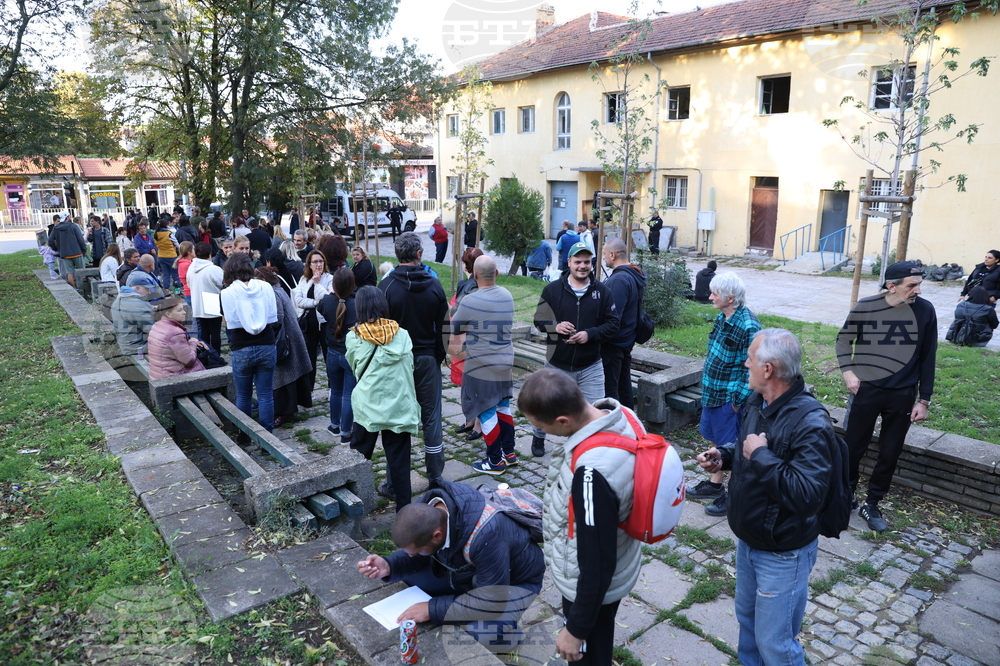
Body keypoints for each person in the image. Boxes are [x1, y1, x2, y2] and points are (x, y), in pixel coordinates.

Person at [695, 329, 835, 666]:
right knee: (748, 623)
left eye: (750, 358)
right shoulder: (758, 401)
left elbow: (808, 496)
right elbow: (747, 445)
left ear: (768, 369)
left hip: (783, 552)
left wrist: (760, 456)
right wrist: (725, 456)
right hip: (749, 540)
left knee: (775, 644)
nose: (745, 363)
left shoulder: (811, 422)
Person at [517, 368, 643, 666]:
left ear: (563, 421)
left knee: (589, 656)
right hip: (620, 560)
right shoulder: (619, 414)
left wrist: (575, 629)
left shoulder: (590, 474)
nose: (543, 434)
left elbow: (597, 563)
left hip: (591, 587)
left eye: (541, 427)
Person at [355, 480, 544, 633]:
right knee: (410, 578)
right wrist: (389, 565)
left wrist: (431, 609)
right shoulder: (429, 508)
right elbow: (419, 550)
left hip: (515, 583)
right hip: (470, 570)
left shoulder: (487, 536)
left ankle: (505, 638)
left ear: (437, 536)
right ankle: (461, 598)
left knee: (485, 631)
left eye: (417, 550)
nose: (411, 555)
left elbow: (491, 600)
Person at [837, 260, 937, 533]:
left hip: (902, 394)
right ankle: (846, 496)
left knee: (890, 452)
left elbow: (928, 357)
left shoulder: (925, 310)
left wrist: (924, 399)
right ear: (891, 286)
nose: (918, 289)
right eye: (912, 285)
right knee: (853, 448)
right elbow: (844, 340)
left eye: (919, 284)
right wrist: (848, 371)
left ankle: (872, 502)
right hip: (866, 389)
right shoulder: (867, 306)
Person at [531, 242, 620, 457]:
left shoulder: (603, 291)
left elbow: (613, 323)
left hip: (590, 364)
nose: (582, 266)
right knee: (547, 405)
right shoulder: (552, 290)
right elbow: (539, 319)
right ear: (568, 262)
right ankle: (538, 436)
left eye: (587, 262)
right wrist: (555, 327)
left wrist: (590, 334)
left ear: (592, 264)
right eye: (578, 262)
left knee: (596, 410)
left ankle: (588, 447)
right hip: (557, 362)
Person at [686, 271, 760, 517]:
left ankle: (733, 496)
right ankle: (716, 485)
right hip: (713, 392)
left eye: (715, 294)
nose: (710, 297)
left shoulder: (749, 325)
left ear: (730, 297)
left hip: (729, 398)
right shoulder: (722, 317)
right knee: (717, 442)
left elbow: (751, 367)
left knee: (733, 448)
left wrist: (737, 403)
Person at [379, 232, 449, 491]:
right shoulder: (434, 285)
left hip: (397, 363)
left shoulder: (385, 287)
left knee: (396, 420)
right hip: (427, 358)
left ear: (397, 255)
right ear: (419, 254)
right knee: (431, 418)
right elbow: (444, 328)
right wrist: (437, 356)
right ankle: (435, 477)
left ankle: (394, 482)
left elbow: (379, 330)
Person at [346, 286, 420, 511]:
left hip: (368, 406)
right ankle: (405, 512)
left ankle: (352, 502)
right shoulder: (403, 334)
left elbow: (356, 369)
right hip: (399, 407)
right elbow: (410, 367)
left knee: (358, 459)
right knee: (399, 463)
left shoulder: (354, 337)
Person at [449, 256, 516, 474]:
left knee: (486, 411)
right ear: (496, 273)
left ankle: (495, 462)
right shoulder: (507, 295)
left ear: (475, 275)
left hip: (481, 365)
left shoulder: (470, 300)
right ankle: (510, 453)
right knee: (503, 407)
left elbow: (456, 328)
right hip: (505, 361)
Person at [221, 253, 279, 432]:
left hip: (241, 346)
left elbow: (229, 323)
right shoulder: (265, 287)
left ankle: (245, 435)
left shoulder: (227, 292)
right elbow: (272, 317)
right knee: (265, 395)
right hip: (266, 343)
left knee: (244, 396)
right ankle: (267, 437)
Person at [256, 267, 312, 427]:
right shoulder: (278, 289)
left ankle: (285, 412)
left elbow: (277, 318)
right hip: (291, 337)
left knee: (284, 376)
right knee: (290, 375)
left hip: (284, 340)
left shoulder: (273, 293)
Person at [601, 238, 645, 409]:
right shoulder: (634, 273)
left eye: (604, 254)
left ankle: (613, 426)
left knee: (611, 389)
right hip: (626, 339)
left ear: (612, 255)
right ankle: (630, 423)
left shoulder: (619, 280)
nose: (603, 258)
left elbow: (612, 316)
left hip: (615, 342)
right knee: (623, 384)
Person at [318, 267, 358, 443]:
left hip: (332, 352)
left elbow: (321, 310)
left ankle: (334, 425)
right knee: (349, 394)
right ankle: (346, 432)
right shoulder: (357, 304)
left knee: (335, 390)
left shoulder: (327, 302)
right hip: (350, 353)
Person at [293, 250, 333, 390]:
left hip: (325, 323)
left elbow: (328, 300)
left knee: (329, 356)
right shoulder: (304, 280)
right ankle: (308, 389)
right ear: (309, 264)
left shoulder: (330, 279)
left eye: (321, 261)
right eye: (315, 262)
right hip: (308, 323)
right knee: (309, 358)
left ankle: (332, 387)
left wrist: (317, 284)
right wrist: (315, 303)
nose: (318, 265)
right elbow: (298, 300)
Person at [147, 297, 207, 379]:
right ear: (168, 314)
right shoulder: (175, 332)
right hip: (172, 378)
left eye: (183, 309)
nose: (184, 312)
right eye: (179, 310)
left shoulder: (157, 325)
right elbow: (189, 361)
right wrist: (192, 343)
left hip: (158, 375)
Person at [188, 242, 225, 352]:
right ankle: (216, 355)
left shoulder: (191, 267)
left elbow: (189, 283)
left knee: (203, 331)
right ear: (210, 254)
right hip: (212, 302)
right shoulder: (214, 269)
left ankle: (205, 354)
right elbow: (223, 284)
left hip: (197, 302)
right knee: (215, 332)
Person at [111, 282, 155, 357]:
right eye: (147, 289)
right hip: (137, 347)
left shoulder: (120, 299)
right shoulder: (137, 304)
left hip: (126, 344)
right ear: (137, 288)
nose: (149, 292)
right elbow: (152, 330)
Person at [48, 215, 88, 290]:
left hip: (65, 254)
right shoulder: (73, 226)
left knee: (69, 273)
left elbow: (50, 241)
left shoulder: (56, 228)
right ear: (67, 218)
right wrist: (84, 250)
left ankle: (74, 288)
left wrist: (57, 249)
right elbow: (80, 239)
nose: (70, 218)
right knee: (82, 271)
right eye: (69, 217)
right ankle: (83, 288)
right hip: (77, 252)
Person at [153, 219, 179, 289]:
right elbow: (177, 244)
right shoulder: (169, 234)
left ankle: (166, 287)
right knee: (175, 273)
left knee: (165, 273)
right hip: (171, 256)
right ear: (166, 225)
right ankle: (178, 286)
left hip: (161, 256)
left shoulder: (156, 234)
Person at [176, 241, 195, 305]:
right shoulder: (187, 265)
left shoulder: (184, 263)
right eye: (193, 249)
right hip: (191, 293)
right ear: (189, 252)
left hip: (189, 293)